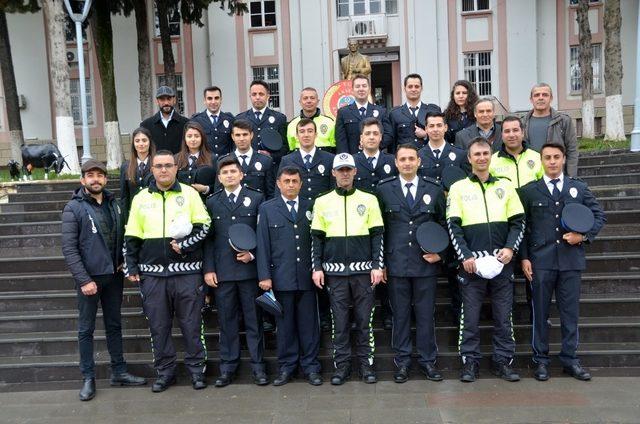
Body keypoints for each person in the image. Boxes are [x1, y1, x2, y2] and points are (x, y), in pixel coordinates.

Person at [123, 150, 211, 392]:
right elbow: (131, 234)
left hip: (187, 273)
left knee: (192, 324)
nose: (163, 170)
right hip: (152, 275)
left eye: (168, 165)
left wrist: (185, 245)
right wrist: (130, 264)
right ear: (151, 169)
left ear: (176, 168)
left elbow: (205, 226)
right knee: (158, 327)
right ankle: (165, 372)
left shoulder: (190, 194)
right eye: (158, 165)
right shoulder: (140, 198)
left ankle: (196, 370)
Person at [518, 143, 605, 381]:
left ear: (564, 159)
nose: (553, 161)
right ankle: (541, 360)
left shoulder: (578, 187)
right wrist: (524, 257)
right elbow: (522, 228)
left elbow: (598, 215)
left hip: (570, 261)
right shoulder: (529, 191)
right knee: (540, 312)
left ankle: (569, 358)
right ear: (542, 161)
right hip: (540, 261)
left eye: (557, 157)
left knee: (570, 313)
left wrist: (584, 237)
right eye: (548, 157)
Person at [62, 160, 147, 401]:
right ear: (83, 180)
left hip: (114, 276)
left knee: (114, 325)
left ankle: (119, 371)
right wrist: (83, 280)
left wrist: (122, 261)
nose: (96, 179)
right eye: (91, 175)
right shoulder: (73, 208)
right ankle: (88, 377)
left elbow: (122, 235)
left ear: (105, 179)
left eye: (100, 175)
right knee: (85, 329)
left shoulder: (116, 204)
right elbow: (69, 249)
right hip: (89, 280)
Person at [446, 137, 525, 383]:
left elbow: (518, 221)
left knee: (503, 316)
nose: (481, 157)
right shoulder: (459, 188)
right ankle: (470, 362)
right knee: (469, 317)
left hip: (503, 263)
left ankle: (503, 361)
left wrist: (511, 249)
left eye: (485, 153)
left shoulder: (506, 185)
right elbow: (453, 225)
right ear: (469, 158)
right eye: (476, 154)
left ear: (491, 156)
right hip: (471, 266)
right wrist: (465, 255)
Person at [311, 153, 385, 385]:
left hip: (363, 272)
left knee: (365, 321)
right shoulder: (322, 201)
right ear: (333, 173)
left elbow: (378, 236)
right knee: (339, 322)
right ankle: (341, 366)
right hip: (334, 274)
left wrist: (377, 265)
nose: (344, 173)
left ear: (355, 171)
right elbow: (316, 239)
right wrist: (317, 267)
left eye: (348, 169)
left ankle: (366, 365)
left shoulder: (369, 199)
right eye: (340, 170)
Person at [376, 144, 446, 383]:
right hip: (396, 264)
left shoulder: (434, 189)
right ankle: (402, 362)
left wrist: (442, 254)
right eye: (402, 159)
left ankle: (428, 361)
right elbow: (379, 230)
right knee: (401, 316)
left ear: (419, 161)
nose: (407, 163)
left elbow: (444, 225)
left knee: (426, 315)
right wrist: (381, 262)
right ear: (396, 163)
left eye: (411, 159)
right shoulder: (384, 190)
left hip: (425, 263)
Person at [203, 157, 268, 387]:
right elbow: (208, 240)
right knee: (226, 322)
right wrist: (209, 268)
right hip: (223, 274)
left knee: (253, 321)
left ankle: (258, 367)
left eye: (233, 171)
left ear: (241, 175)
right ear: (219, 178)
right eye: (225, 173)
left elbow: (263, 235)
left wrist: (254, 255)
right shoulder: (212, 203)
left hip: (249, 272)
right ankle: (227, 368)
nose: (229, 175)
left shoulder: (257, 198)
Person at [256, 166, 322, 386]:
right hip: (281, 277)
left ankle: (311, 367)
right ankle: (287, 367)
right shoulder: (267, 209)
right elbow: (263, 244)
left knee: (309, 326)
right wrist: (264, 276)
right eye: (287, 181)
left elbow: (317, 241)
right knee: (285, 328)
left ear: (301, 184)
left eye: (295, 181)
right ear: (278, 183)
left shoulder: (311, 205)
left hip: (306, 277)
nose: (291, 185)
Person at [522, 83, 579, 177]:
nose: (540, 98)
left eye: (545, 95)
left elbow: (572, 150)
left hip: (557, 175)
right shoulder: (523, 123)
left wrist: (571, 178)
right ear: (531, 99)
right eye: (536, 95)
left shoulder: (563, 121)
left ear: (551, 98)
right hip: (531, 176)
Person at [279, 118, 335, 203]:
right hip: (298, 210)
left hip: (323, 208)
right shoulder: (287, 160)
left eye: (310, 131)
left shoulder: (329, 159)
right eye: (302, 131)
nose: (306, 135)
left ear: (316, 134)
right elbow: (280, 191)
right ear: (297, 136)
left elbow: (334, 189)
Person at [217, 119, 276, 199]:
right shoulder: (223, 161)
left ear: (251, 135)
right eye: (238, 135)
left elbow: (271, 193)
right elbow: (219, 192)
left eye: (245, 134)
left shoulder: (266, 161)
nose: (241, 139)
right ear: (232, 137)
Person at [235, 80, 289, 165]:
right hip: (248, 167)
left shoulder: (279, 118)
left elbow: (285, 148)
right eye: (254, 94)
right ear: (250, 96)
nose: (257, 97)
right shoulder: (240, 118)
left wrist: (271, 155)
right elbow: (235, 146)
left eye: (261, 94)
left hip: (271, 167)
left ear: (268, 96)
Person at [336, 74, 393, 154]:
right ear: (352, 90)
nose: (361, 89)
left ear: (369, 89)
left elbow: (389, 134)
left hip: (375, 157)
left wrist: (373, 146)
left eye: (364, 86)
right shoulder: (343, 112)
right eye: (357, 86)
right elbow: (340, 140)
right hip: (353, 158)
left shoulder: (381, 111)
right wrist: (346, 160)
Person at [389, 74, 441, 150]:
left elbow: (442, 135)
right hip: (405, 159)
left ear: (421, 88)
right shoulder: (395, 113)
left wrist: (426, 135)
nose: (413, 89)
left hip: (427, 158)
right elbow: (392, 143)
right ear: (404, 89)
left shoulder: (433, 110)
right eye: (410, 87)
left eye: (417, 86)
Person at [490, 116, 543, 188]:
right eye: (507, 131)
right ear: (502, 135)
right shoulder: (491, 161)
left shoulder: (538, 158)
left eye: (515, 130)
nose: (511, 135)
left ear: (522, 133)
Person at [418, 112, 469, 183]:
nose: (435, 129)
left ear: (445, 128)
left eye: (439, 125)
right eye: (431, 126)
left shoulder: (460, 154)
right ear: (426, 129)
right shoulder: (418, 155)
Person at [119, 127, 156, 223]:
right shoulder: (126, 166)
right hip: (135, 215)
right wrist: (126, 220)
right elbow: (124, 197)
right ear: (133, 144)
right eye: (137, 141)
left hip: (155, 213)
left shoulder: (158, 163)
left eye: (144, 140)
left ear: (150, 142)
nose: (141, 144)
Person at [354, 118, 397, 194]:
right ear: (361, 138)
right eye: (367, 133)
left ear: (380, 137)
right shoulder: (353, 161)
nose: (371, 137)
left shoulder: (392, 161)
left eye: (375, 133)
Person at [140, 86, 188, 154]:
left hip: (179, 164)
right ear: (157, 101)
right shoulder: (146, 125)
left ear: (174, 100)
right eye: (162, 99)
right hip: (155, 164)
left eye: (169, 99)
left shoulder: (186, 123)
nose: (166, 103)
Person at [287, 87, 336, 153]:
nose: (309, 101)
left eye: (312, 98)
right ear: (300, 102)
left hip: (325, 160)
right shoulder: (292, 124)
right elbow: (290, 148)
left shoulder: (330, 122)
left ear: (318, 101)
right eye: (305, 98)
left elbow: (335, 147)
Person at [175, 121, 218, 197]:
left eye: (196, 136)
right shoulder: (176, 158)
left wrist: (205, 189)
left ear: (202, 138)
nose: (193, 139)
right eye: (189, 136)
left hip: (204, 202)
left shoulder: (213, 159)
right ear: (184, 138)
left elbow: (218, 184)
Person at [190, 86, 235, 156]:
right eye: (209, 98)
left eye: (216, 98)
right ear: (204, 101)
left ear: (221, 100)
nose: (213, 102)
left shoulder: (230, 119)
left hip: (225, 162)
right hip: (205, 163)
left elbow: (234, 143)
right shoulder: (196, 120)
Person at [443, 80, 478, 145]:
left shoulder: (477, 112)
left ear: (470, 95)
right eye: (457, 93)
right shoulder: (447, 114)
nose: (461, 96)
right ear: (453, 96)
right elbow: (446, 137)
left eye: (464, 93)